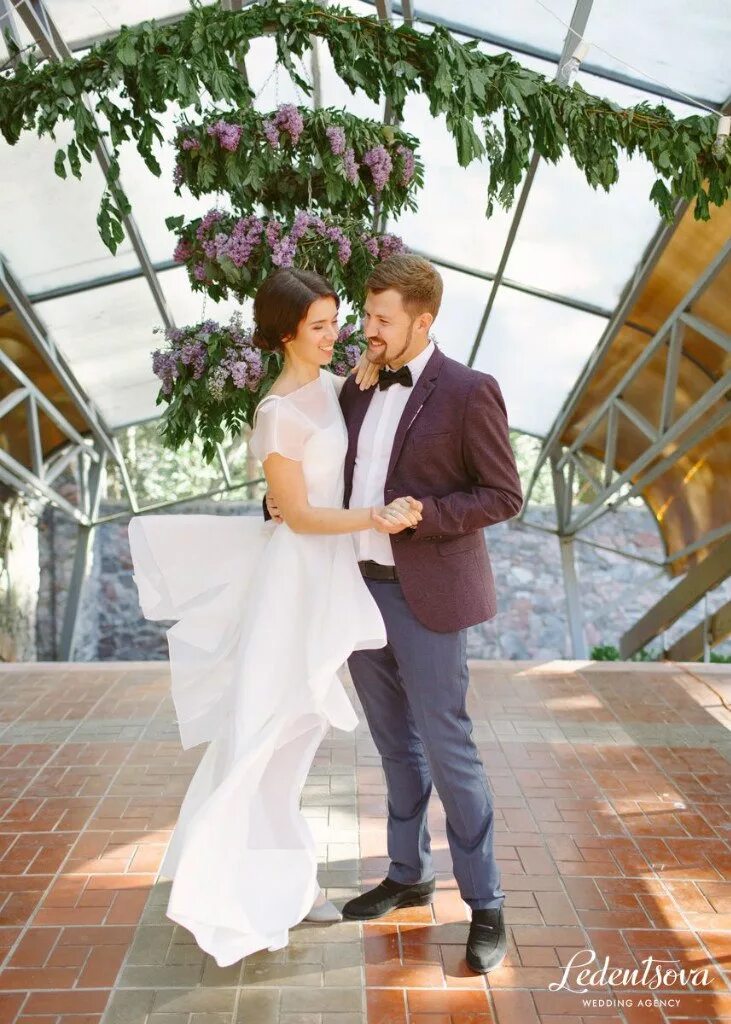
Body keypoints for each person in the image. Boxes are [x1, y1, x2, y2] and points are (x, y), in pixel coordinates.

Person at [128, 267, 423, 968]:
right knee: (263, 738)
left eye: (335, 322)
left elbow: (369, 368)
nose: (335, 335)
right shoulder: (275, 413)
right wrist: (373, 518)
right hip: (291, 587)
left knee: (295, 746)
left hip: (325, 584)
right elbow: (294, 513)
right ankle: (227, 889)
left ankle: (285, 884)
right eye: (319, 325)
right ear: (285, 333)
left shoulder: (331, 384)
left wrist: (386, 342)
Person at [266, 254, 523, 973]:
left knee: (449, 747)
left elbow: (503, 495)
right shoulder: (353, 387)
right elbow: (321, 470)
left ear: (422, 321)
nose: (367, 330)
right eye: (366, 315)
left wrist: (425, 516)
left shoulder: (471, 391)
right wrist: (281, 500)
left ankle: (486, 902)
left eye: (381, 319)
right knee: (392, 745)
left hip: (428, 595)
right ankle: (407, 876)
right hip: (353, 589)